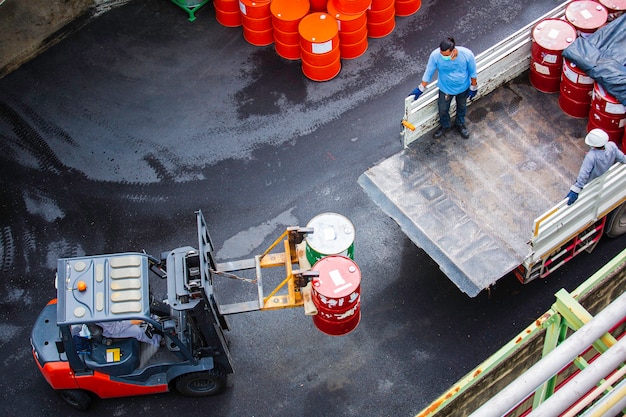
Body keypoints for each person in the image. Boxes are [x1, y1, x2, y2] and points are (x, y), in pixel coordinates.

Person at [409, 37, 478, 139]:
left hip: (463, 88)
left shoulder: (467, 54)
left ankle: (460, 124)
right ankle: (445, 126)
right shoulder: (435, 55)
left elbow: (473, 72)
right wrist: (421, 88)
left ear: (453, 50)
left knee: (462, 107)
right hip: (445, 89)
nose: (442, 56)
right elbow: (429, 72)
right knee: (443, 109)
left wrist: (473, 87)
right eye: (441, 54)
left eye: (445, 55)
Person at [566, 128, 626, 205]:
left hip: (591, 183)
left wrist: (576, 189)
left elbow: (584, 174)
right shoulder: (612, 146)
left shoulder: (591, 156)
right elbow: (622, 158)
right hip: (603, 179)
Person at [97, 320, 162, 347]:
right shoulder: (99, 315)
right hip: (113, 329)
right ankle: (158, 341)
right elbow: (114, 329)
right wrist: (131, 322)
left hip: (118, 315)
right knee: (139, 330)